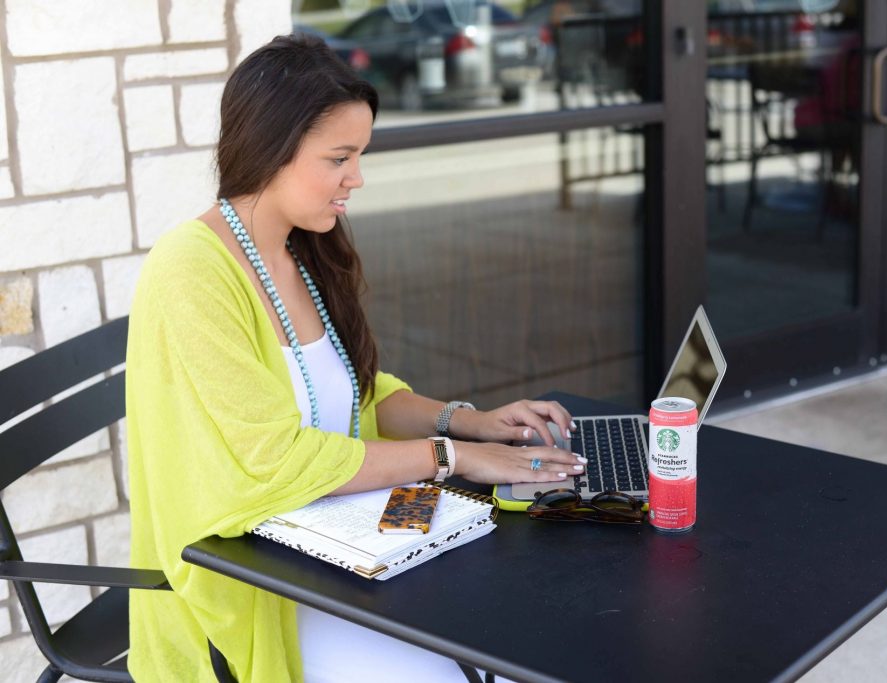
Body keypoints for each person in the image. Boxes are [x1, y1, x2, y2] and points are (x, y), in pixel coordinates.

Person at [125, 33, 582, 682]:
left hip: (342, 549)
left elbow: (362, 394)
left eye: (360, 155)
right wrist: (450, 457)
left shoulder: (303, 248)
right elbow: (275, 458)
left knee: (518, 643)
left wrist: (468, 421)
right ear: (270, 147)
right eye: (340, 157)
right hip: (257, 586)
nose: (357, 178)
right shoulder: (191, 271)